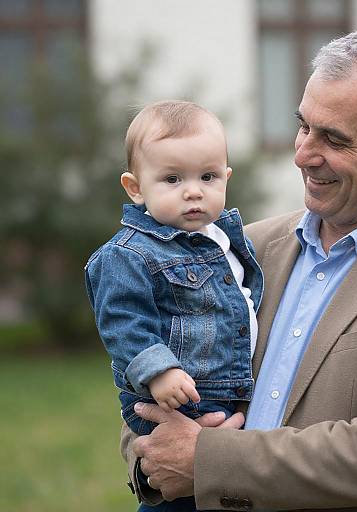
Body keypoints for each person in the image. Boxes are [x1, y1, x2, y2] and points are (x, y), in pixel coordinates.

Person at [122, 32, 357, 512]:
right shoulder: (243, 249)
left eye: (334, 139)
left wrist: (205, 460)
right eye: (304, 126)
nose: (303, 153)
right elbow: (153, 385)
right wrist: (151, 464)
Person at [85, 100, 263, 511]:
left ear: (226, 177)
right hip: (172, 399)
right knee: (178, 497)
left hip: (223, 394)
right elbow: (123, 322)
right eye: (171, 179)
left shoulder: (224, 240)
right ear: (135, 187)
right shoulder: (128, 254)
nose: (193, 190)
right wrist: (158, 371)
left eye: (208, 176)